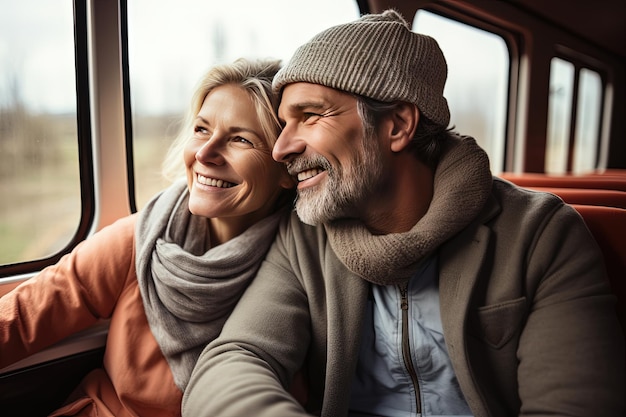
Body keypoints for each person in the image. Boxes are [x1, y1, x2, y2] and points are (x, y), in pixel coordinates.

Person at [182, 10, 625, 417]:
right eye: (284, 123)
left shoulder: (540, 235)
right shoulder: (304, 238)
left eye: (311, 117)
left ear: (397, 126)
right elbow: (233, 360)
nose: (282, 148)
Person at [0, 57, 294, 416]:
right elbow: (21, 318)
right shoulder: (141, 239)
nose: (204, 154)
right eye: (201, 129)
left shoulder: (298, 269)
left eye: (240, 139)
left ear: (287, 168)